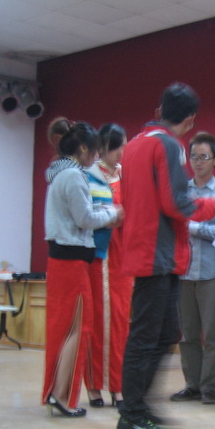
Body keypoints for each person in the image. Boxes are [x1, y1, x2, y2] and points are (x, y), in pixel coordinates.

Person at [116, 83, 215, 429]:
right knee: (145, 337)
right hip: (158, 252)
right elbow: (175, 203)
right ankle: (132, 414)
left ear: (160, 110)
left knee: (165, 333)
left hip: (148, 248)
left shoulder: (135, 144)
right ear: (190, 120)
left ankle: (141, 405)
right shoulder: (167, 144)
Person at [41, 121, 122, 417]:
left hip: (62, 259)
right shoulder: (74, 175)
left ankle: (57, 393)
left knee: (64, 328)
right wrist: (112, 213)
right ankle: (62, 396)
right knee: (77, 328)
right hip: (72, 261)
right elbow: (85, 219)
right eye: (95, 151)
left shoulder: (59, 172)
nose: (96, 156)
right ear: (84, 148)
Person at [170, 132, 215, 405]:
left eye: (204, 157)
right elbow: (173, 226)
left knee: (212, 335)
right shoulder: (182, 191)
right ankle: (192, 385)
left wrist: (192, 227)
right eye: (194, 156)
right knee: (188, 335)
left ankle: (209, 387)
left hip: (211, 273)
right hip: (183, 271)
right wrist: (191, 227)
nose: (197, 162)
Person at [83, 123, 131, 408]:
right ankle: (94, 384)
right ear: (103, 148)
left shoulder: (127, 175)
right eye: (118, 146)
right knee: (97, 318)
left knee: (121, 319)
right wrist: (110, 214)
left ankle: (118, 384)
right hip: (100, 253)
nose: (122, 151)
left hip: (123, 253)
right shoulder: (90, 175)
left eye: (124, 145)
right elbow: (86, 214)